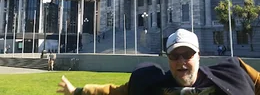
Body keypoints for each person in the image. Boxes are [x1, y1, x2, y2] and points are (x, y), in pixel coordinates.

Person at [56, 28, 260, 95]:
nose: (181, 61)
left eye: (187, 55)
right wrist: (77, 91)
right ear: (167, 58)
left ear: (198, 56)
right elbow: (113, 91)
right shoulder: (150, 83)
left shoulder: (233, 73)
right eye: (174, 55)